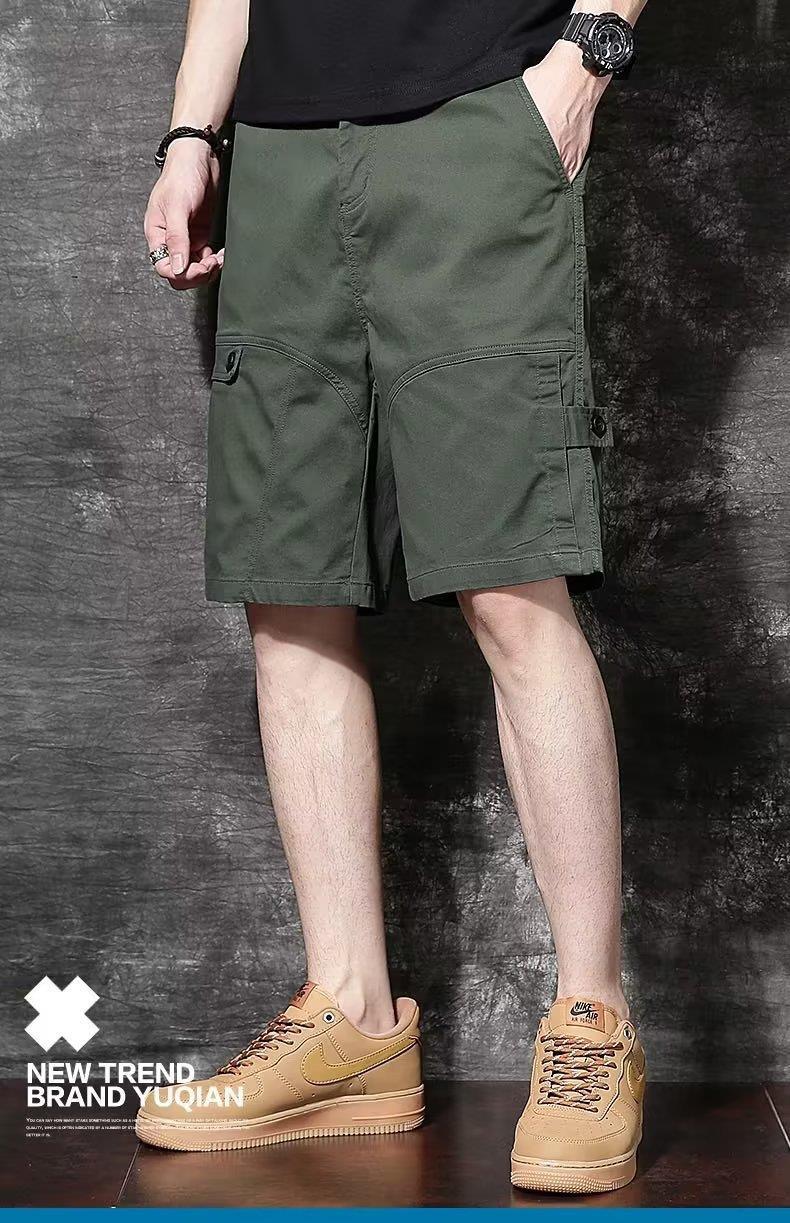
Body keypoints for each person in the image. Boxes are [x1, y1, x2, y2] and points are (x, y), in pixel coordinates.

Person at [137, 0, 648, 1194]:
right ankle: (353, 1017)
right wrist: (192, 134)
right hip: (279, 150)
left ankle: (591, 1015)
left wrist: (583, 62)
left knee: (508, 583)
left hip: (477, 124)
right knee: (288, 590)